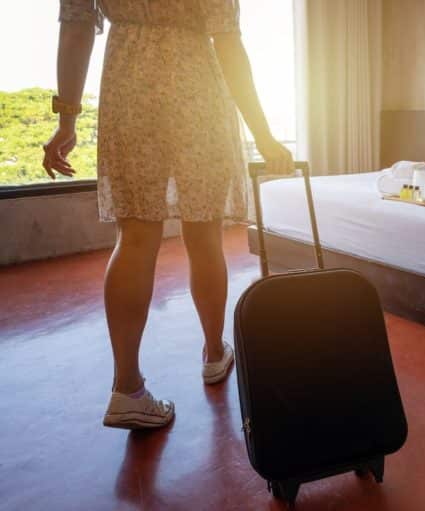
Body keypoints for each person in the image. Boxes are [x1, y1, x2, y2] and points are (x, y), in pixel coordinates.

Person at [43, 0, 293, 429]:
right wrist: (264, 136)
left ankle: (127, 389)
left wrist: (67, 119)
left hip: (129, 84)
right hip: (198, 92)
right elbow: (228, 42)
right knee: (204, 234)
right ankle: (215, 354)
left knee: (136, 237)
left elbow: (76, 27)